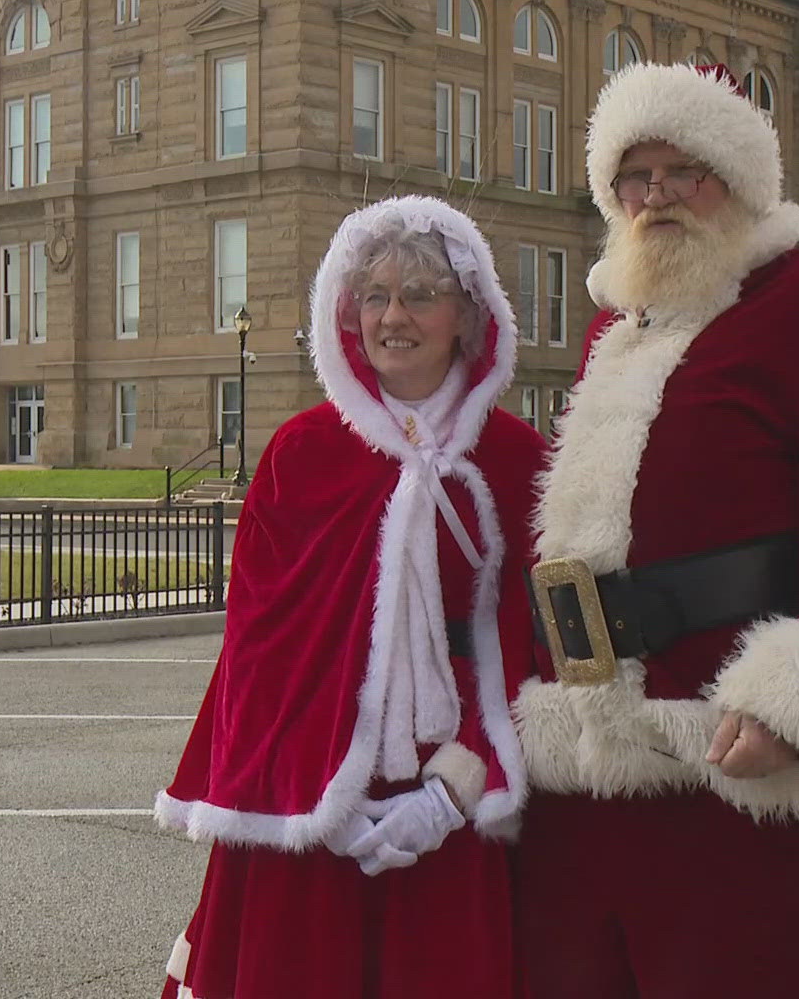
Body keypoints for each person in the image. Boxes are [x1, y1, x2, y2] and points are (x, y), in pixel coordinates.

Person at [511, 62, 799, 997]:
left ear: (738, 181)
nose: (657, 195)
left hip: (736, 760)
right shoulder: (612, 331)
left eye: (683, 171)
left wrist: (798, 711)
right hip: (588, 773)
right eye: (636, 176)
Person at [156, 196, 546, 998]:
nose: (392, 317)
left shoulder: (517, 461)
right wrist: (318, 795)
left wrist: (452, 791)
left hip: (452, 793)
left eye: (419, 296)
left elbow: (534, 641)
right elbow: (261, 651)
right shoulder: (300, 454)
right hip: (311, 800)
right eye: (374, 296)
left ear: (467, 316)